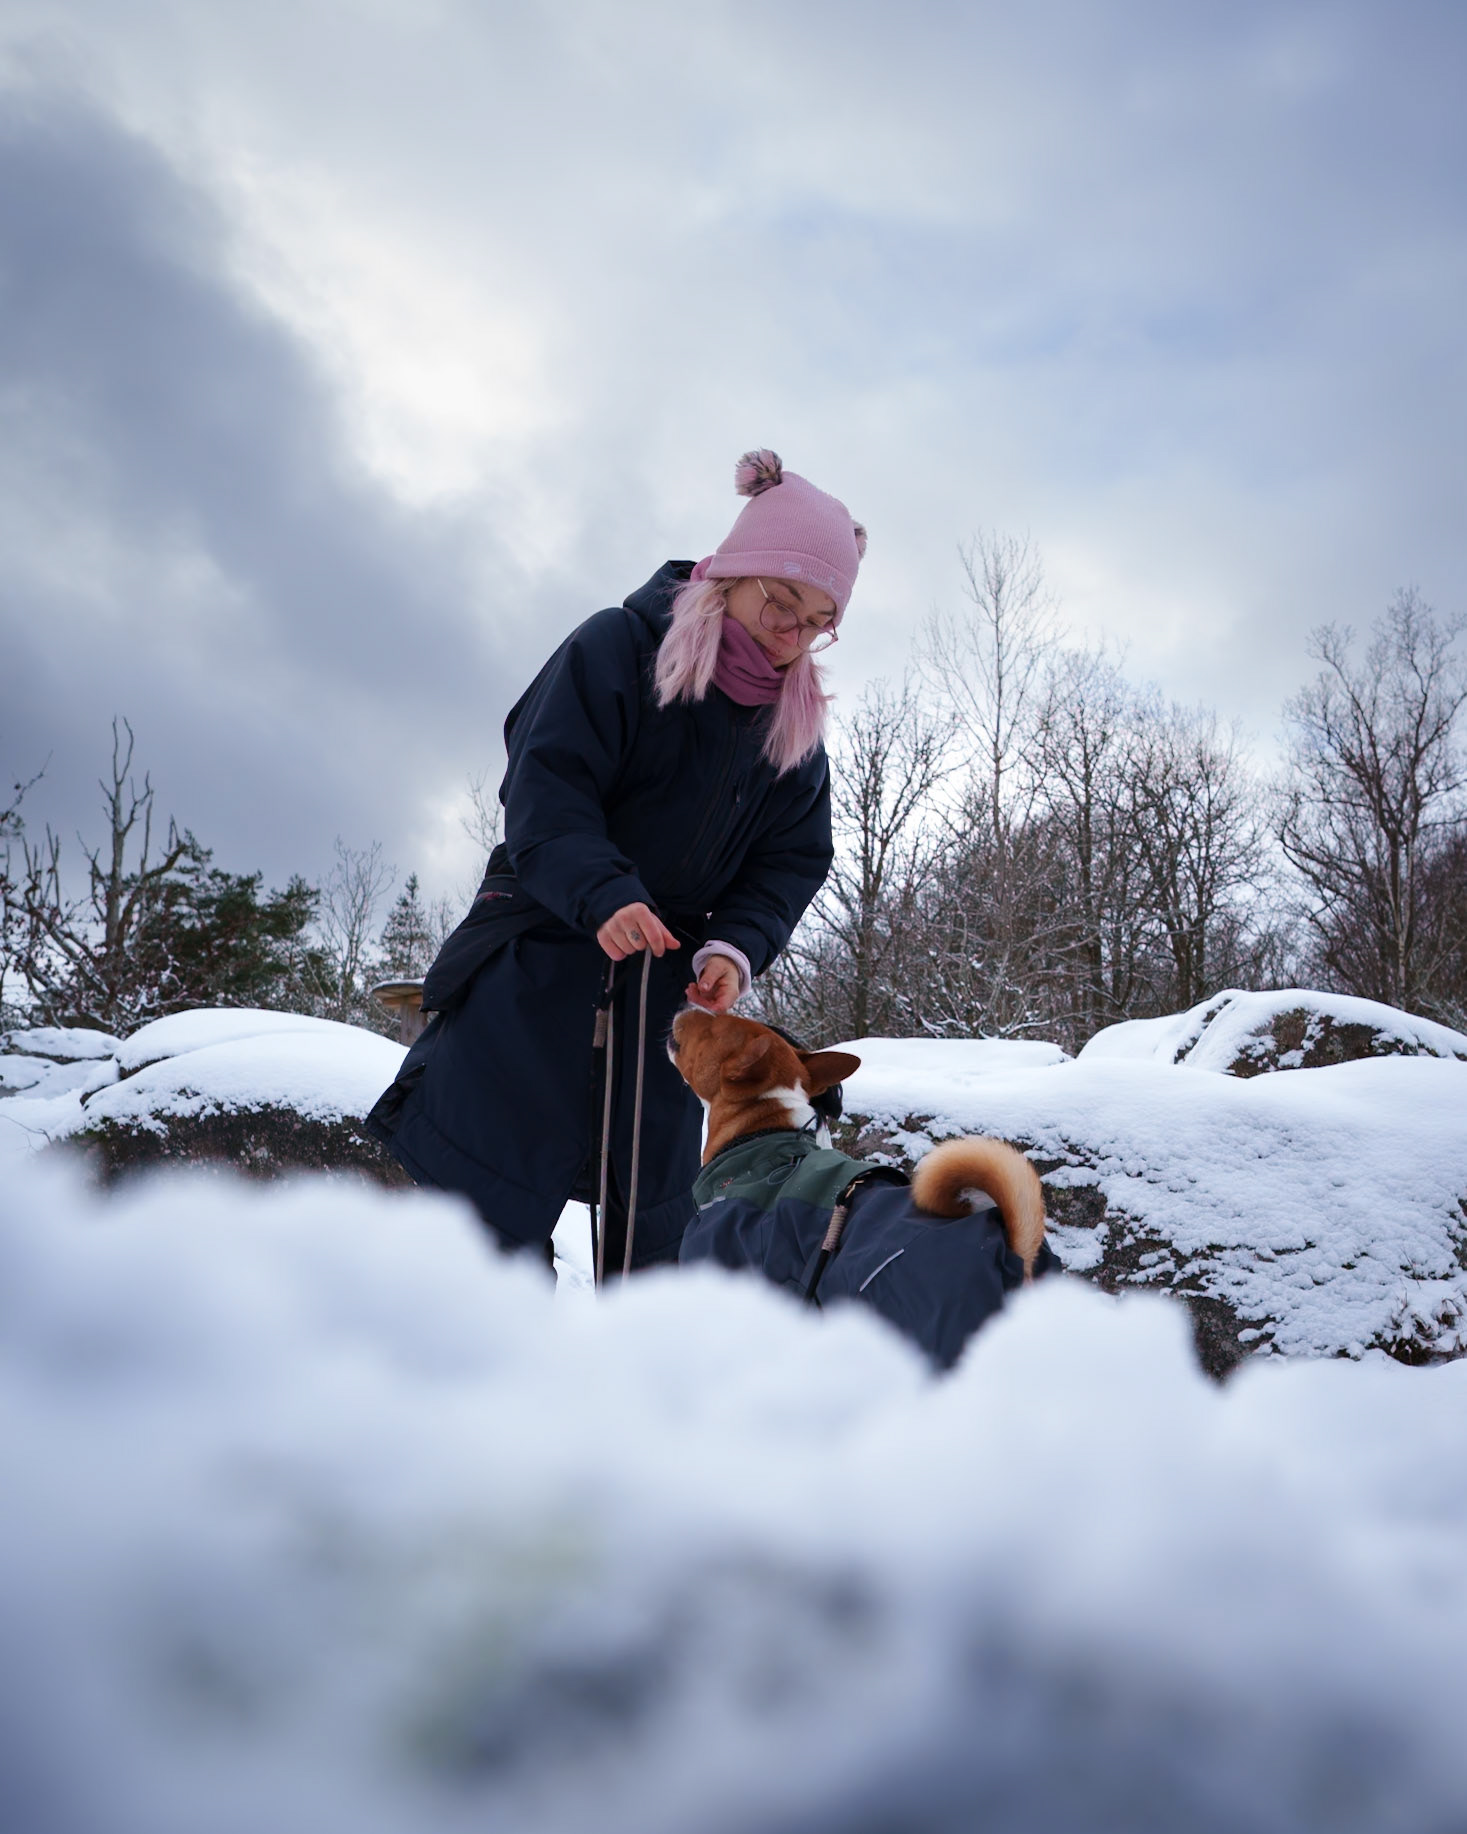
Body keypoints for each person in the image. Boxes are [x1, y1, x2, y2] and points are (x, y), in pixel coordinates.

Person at [366, 449, 866, 1272]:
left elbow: (792, 862)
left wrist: (731, 949)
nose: (795, 634)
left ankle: (626, 1391)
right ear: (730, 574)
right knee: (487, 1224)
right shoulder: (616, 647)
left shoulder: (795, 731)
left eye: (819, 621)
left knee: (654, 1237)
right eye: (783, 601)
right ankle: (484, 1379)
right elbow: (546, 787)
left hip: (665, 1004)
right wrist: (602, 894)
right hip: (536, 958)